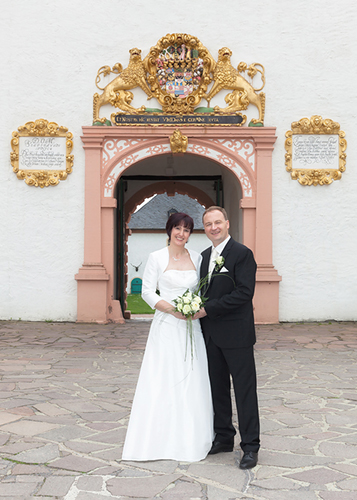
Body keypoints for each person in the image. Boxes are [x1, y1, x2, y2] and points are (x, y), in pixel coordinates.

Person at [122, 212, 214, 462]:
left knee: (191, 376)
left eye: (186, 229)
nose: (181, 233)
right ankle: (157, 438)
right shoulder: (156, 257)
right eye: (177, 228)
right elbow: (148, 293)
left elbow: (204, 289)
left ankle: (191, 437)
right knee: (163, 376)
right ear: (169, 230)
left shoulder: (198, 257)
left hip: (191, 326)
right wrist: (173, 310)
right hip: (166, 325)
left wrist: (193, 309)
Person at [193, 206, 260, 470]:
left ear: (227, 223)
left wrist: (208, 309)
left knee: (244, 392)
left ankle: (251, 447)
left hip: (237, 335)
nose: (213, 227)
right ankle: (223, 437)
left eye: (217, 222)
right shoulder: (204, 256)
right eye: (208, 224)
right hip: (210, 335)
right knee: (217, 389)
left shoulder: (242, 254)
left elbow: (244, 293)